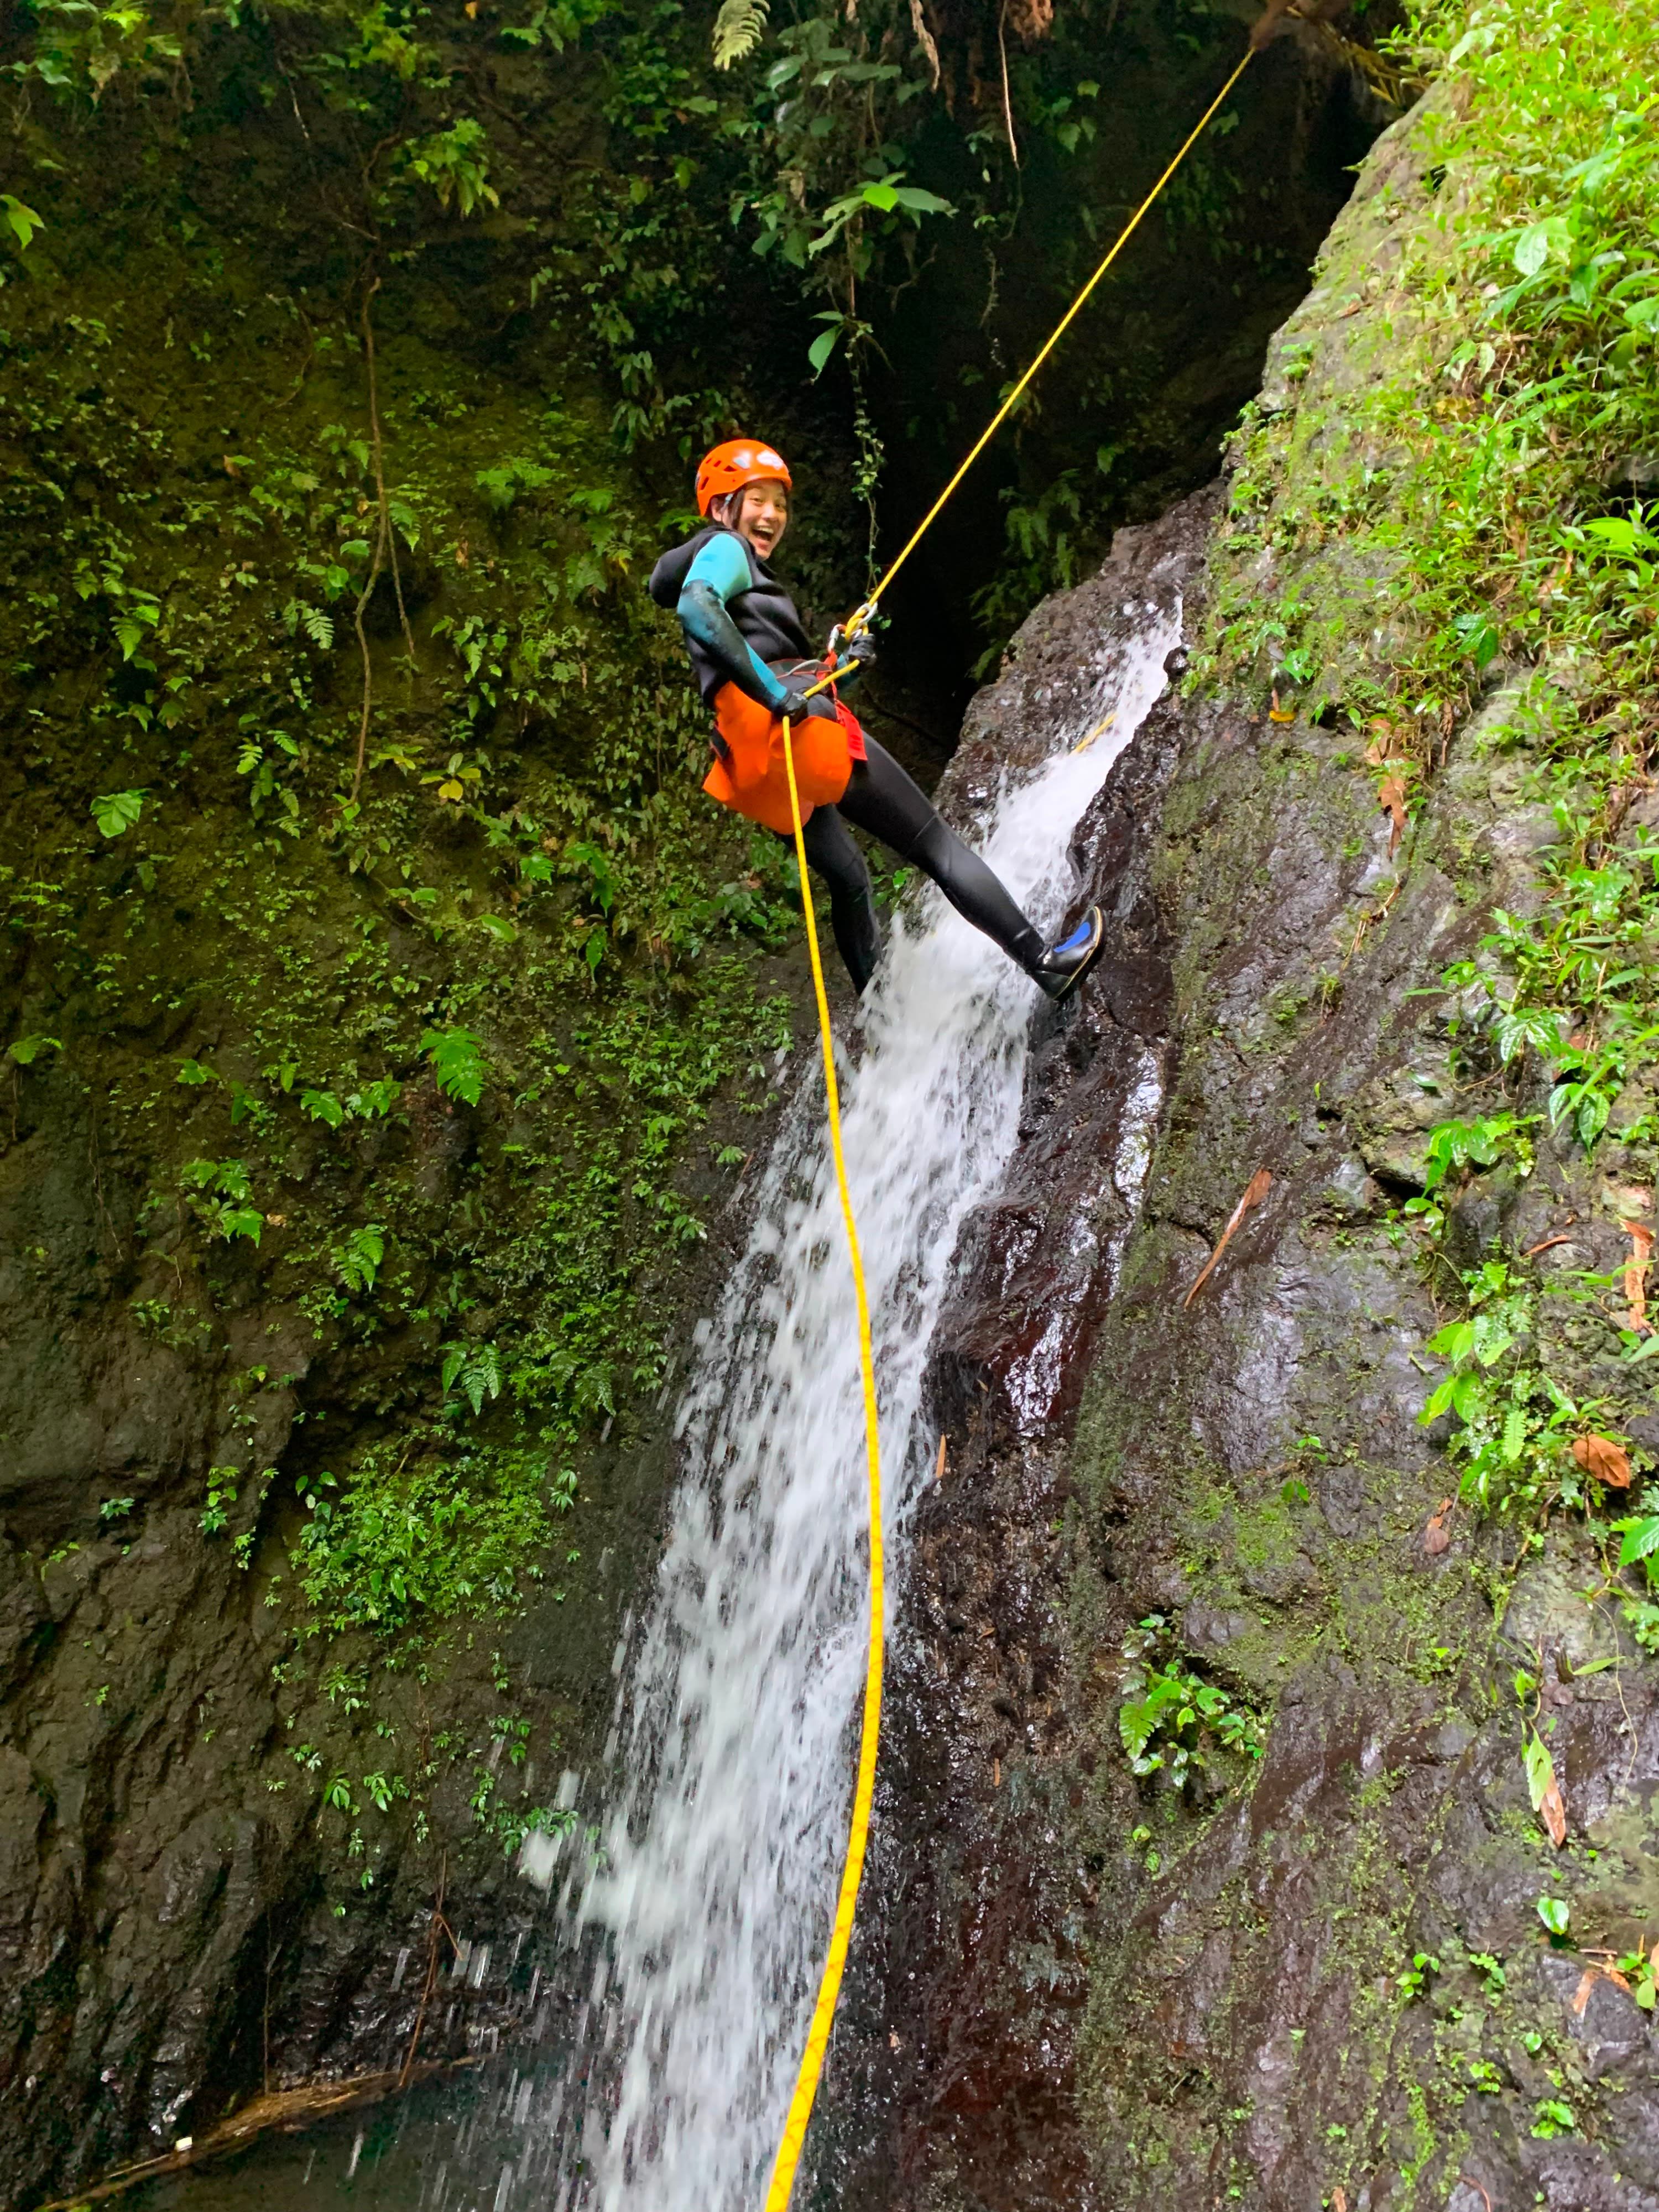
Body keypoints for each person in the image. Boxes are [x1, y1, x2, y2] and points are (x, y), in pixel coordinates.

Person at [648, 438, 1106, 1000]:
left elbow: (784, 669)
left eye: (780, 504)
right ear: (722, 508)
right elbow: (699, 605)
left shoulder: (737, 579)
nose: (771, 515)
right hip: (791, 732)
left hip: (753, 766)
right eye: (756, 500)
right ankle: (1044, 962)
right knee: (936, 844)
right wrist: (774, 693)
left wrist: (843, 665)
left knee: (848, 876)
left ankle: (878, 1017)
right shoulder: (724, 549)